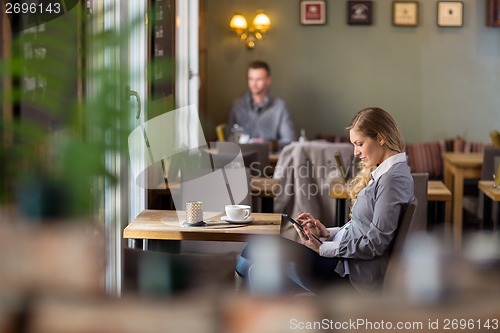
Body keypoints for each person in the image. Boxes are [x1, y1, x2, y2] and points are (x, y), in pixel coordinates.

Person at [235, 107, 414, 293]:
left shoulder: (392, 180)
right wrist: (327, 233)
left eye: (359, 144)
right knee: (253, 257)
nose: (355, 153)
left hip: (350, 274)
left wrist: (324, 248)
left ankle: (284, 305)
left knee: (256, 257)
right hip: (345, 263)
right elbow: (361, 228)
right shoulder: (388, 174)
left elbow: (375, 243)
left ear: (381, 137)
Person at [226, 60, 296, 148]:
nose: (254, 84)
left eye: (259, 79)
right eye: (251, 79)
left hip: (270, 159)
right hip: (242, 158)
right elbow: (227, 139)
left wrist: (267, 144)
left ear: (268, 80)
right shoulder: (237, 106)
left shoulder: (280, 107)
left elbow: (289, 140)